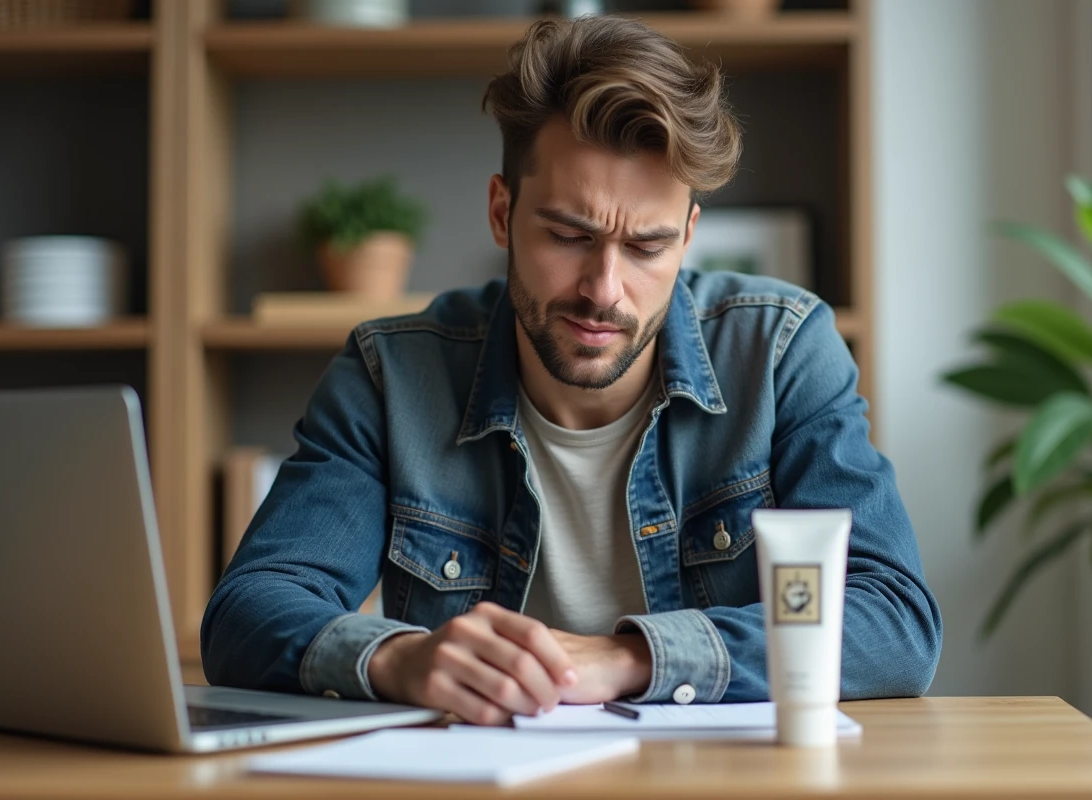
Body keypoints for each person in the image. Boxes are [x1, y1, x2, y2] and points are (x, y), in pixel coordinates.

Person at [201, 15, 942, 726]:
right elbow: (249, 612)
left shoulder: (783, 353)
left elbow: (896, 623)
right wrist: (400, 659)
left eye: (648, 247)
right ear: (501, 213)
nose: (603, 289)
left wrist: (628, 659)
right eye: (568, 234)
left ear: (688, 236)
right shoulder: (392, 373)